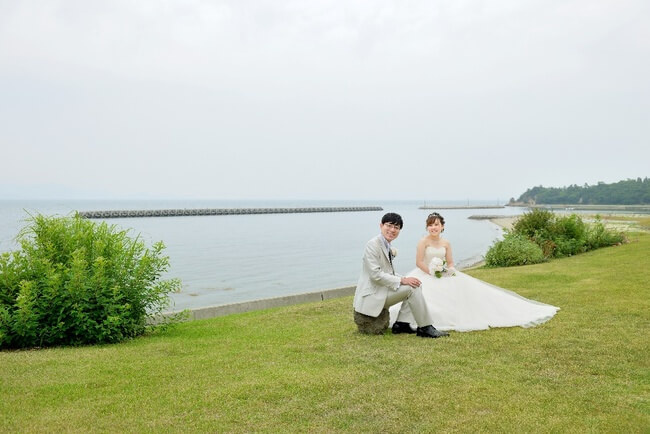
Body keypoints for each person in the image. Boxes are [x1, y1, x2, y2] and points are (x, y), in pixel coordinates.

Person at [389, 212, 560, 331]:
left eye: (436, 225)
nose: (433, 228)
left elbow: (450, 262)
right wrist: (432, 273)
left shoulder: (446, 243)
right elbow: (419, 262)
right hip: (425, 273)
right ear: (427, 228)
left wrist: (448, 270)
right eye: (430, 225)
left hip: (444, 273)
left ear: (442, 227)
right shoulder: (422, 242)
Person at [353, 212, 449, 338]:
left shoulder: (386, 244)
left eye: (396, 227)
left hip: (381, 291)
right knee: (411, 288)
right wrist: (403, 281)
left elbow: (388, 272)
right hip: (372, 295)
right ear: (381, 225)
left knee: (415, 284)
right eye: (389, 226)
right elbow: (375, 275)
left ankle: (402, 324)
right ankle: (425, 327)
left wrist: (405, 279)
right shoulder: (373, 244)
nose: (392, 230)